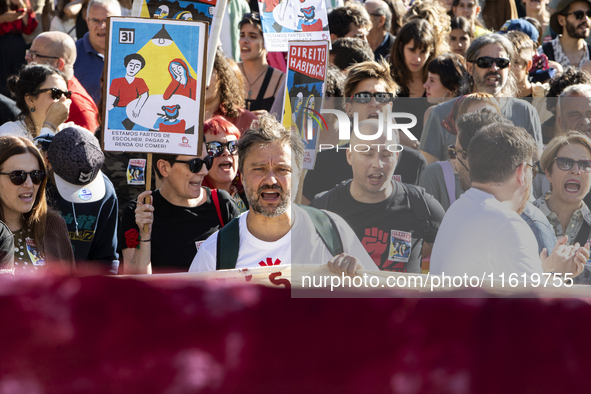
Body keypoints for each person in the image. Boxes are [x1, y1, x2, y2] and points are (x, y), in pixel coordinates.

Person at [189, 113, 379, 274]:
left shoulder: (334, 232)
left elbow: (385, 300)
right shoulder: (215, 253)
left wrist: (360, 282)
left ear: (298, 174)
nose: (271, 180)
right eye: (259, 169)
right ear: (242, 175)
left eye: (282, 169)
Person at [430, 122, 588, 280]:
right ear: (521, 172)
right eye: (531, 169)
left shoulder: (456, 209)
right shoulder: (508, 224)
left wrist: (548, 269)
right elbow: (534, 302)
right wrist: (559, 274)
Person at [310, 119, 445, 273]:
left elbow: (452, 253)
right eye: (368, 154)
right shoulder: (322, 210)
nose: (377, 164)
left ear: (396, 157)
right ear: (349, 156)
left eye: (386, 155)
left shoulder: (421, 204)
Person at [301, 60, 428, 204]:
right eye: (363, 97)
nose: (374, 103)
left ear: (390, 106)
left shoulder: (414, 162)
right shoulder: (324, 162)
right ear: (348, 109)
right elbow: (307, 217)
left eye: (381, 97)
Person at [420, 33, 543, 165]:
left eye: (501, 63)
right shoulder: (440, 114)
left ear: (509, 67)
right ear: (470, 68)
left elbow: (534, 171)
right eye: (485, 62)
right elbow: (428, 172)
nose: (494, 68)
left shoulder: (526, 112)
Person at [120, 143, 240, 274]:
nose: (204, 171)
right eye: (195, 164)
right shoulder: (140, 212)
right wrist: (145, 236)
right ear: (164, 167)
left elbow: (241, 269)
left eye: (207, 161)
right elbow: (136, 287)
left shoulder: (222, 204)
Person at [41, 126, 118, 274]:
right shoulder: (29, 185)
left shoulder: (106, 193)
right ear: (47, 160)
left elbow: (106, 259)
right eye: (69, 185)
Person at [0, 136, 74, 274]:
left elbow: (70, 287)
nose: (29, 184)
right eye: (18, 176)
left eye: (36, 175)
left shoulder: (53, 225)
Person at [26, 31, 99, 133]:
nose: (27, 57)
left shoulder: (78, 107)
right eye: (29, 52)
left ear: (57, 64)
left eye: (34, 54)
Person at [0, 64, 72, 138]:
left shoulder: (71, 133)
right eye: (56, 93)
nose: (64, 99)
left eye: (67, 94)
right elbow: (36, 149)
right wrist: (49, 126)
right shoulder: (9, 133)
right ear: (30, 100)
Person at [73, 0, 121, 105]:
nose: (101, 26)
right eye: (95, 20)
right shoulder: (72, 54)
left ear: (119, 22)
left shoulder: (131, 53)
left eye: (107, 20)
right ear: (87, 22)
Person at [238, 13, 285, 113]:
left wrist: (267, 119)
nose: (244, 41)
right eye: (242, 35)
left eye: (253, 36)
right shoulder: (230, 73)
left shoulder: (280, 80)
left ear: (266, 43)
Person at [204, 49, 257, 134]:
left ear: (221, 75)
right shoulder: (179, 115)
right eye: (195, 72)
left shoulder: (246, 120)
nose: (201, 79)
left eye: (207, 72)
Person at [203, 116, 248, 213]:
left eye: (233, 146)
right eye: (215, 147)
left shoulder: (252, 194)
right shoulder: (192, 202)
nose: (226, 152)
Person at [390, 19, 437, 98]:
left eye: (423, 52)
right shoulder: (387, 76)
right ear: (401, 47)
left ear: (431, 51)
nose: (417, 59)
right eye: (412, 50)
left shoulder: (439, 78)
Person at [0, 0, 38, 97]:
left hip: (16, 43)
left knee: (17, 75)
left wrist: (21, 5)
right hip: (2, 41)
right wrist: (2, 19)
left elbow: (30, 27)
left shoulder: (22, 2)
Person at [539, 0, 591, 69]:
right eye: (579, 15)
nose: (586, 19)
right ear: (561, 20)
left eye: (589, 14)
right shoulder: (542, 54)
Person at [107, 53, 149, 129]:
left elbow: (144, 95)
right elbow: (111, 99)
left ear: (140, 69)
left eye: (137, 66)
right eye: (131, 65)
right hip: (119, 111)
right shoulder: (117, 81)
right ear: (126, 65)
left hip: (133, 110)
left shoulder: (139, 81)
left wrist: (137, 109)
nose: (133, 68)